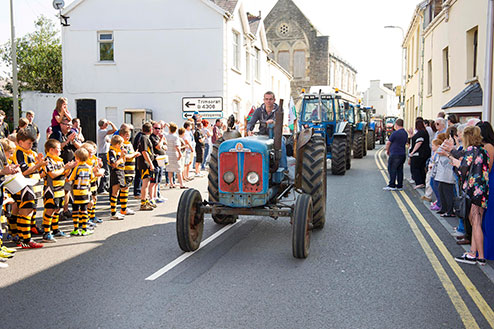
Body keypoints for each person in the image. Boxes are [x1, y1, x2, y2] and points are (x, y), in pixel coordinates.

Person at [451, 126, 490, 265]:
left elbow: (463, 168)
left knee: (476, 223)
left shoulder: (470, 151)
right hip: (483, 191)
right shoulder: (483, 151)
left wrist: (454, 161)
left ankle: (479, 256)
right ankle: (474, 254)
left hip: (473, 191)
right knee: (476, 223)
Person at [12, 129, 46, 248]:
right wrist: (38, 165)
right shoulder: (19, 153)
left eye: (32, 143)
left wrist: (40, 164)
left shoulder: (30, 153)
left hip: (33, 185)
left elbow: (40, 172)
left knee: (29, 213)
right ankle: (26, 240)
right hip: (25, 185)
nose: (31, 145)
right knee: (26, 212)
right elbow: (25, 171)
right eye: (28, 143)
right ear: (20, 142)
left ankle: (23, 238)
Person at [41, 139, 74, 242]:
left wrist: (69, 168)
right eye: (58, 149)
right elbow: (53, 174)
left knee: (57, 209)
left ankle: (55, 230)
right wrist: (64, 168)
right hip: (51, 189)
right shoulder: (48, 160)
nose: (60, 151)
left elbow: (64, 174)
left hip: (60, 188)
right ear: (51, 150)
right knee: (50, 210)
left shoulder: (59, 160)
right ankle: (46, 232)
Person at [67, 148, 94, 236]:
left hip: (75, 192)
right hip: (85, 191)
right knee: (84, 209)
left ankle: (75, 228)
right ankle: (84, 228)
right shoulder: (89, 168)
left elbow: (71, 178)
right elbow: (92, 177)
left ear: (77, 158)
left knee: (75, 210)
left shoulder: (76, 168)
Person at [478, 121, 494, 260]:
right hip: (489, 181)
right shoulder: (487, 146)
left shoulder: (488, 147)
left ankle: (488, 251)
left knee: (488, 217)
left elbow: (487, 168)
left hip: (490, 182)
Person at [119, 126, 140, 215]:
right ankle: (123, 208)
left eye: (129, 135)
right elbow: (126, 156)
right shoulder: (121, 144)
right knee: (124, 188)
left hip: (131, 169)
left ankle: (125, 207)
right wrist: (134, 154)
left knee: (127, 188)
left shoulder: (129, 144)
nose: (128, 137)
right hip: (125, 169)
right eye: (126, 135)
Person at [384, 119, 408, 191]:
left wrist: (387, 150)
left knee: (392, 169)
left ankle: (392, 185)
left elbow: (388, 143)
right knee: (400, 170)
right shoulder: (405, 133)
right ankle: (400, 185)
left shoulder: (395, 133)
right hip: (402, 154)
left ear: (396, 125)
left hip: (395, 154)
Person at [108, 135, 127, 220]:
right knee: (115, 192)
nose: (122, 145)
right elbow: (114, 164)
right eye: (121, 144)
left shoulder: (118, 151)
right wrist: (121, 156)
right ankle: (113, 212)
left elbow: (123, 161)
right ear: (117, 144)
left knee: (123, 189)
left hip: (121, 171)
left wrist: (123, 156)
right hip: (116, 172)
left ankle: (123, 209)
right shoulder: (112, 151)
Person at [137, 122, 155, 211]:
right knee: (145, 184)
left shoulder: (145, 137)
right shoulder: (144, 138)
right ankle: (143, 203)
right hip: (145, 164)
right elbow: (144, 152)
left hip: (146, 163)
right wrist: (150, 164)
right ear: (150, 129)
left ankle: (146, 200)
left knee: (147, 183)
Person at [409, 120, 431, 189]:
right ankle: (422, 182)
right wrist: (411, 135)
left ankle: (419, 182)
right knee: (421, 167)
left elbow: (419, 142)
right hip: (425, 153)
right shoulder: (424, 132)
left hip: (419, 154)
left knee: (415, 167)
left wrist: (412, 152)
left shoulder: (421, 133)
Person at [97, 119, 117, 194]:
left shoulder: (104, 134)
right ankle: (103, 188)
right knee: (106, 171)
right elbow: (115, 130)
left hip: (104, 153)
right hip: (104, 153)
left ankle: (106, 186)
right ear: (103, 125)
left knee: (106, 170)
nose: (107, 125)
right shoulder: (102, 132)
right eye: (106, 124)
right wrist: (111, 123)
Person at [149, 121, 167, 204]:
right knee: (153, 182)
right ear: (152, 128)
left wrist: (162, 140)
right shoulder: (152, 137)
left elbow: (163, 146)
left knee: (157, 181)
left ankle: (156, 196)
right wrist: (162, 140)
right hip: (155, 161)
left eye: (159, 128)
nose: (158, 130)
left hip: (161, 161)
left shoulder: (157, 137)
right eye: (156, 128)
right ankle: (151, 197)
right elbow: (158, 146)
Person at [166, 124, 186, 189]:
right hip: (174, 153)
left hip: (168, 153)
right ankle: (181, 184)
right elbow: (176, 146)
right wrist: (180, 154)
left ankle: (171, 184)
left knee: (169, 170)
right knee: (178, 169)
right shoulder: (175, 137)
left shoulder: (167, 136)